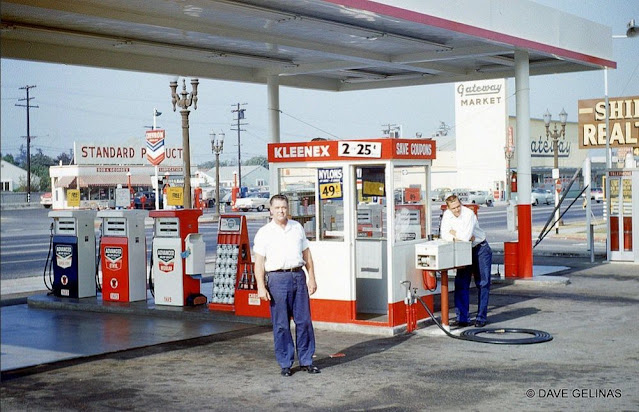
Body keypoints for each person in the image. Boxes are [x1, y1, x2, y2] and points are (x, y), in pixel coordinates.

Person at [254, 194, 320, 377]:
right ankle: (285, 363)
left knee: (304, 321)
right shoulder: (264, 233)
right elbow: (258, 263)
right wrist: (261, 286)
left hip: (298, 276)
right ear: (271, 210)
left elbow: (307, 256)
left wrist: (311, 277)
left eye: (283, 207)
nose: (281, 211)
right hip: (277, 280)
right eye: (277, 208)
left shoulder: (297, 228)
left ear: (287, 208)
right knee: (281, 324)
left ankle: (307, 360)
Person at [440, 194, 493, 328]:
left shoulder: (469, 214)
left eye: (458, 206)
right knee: (461, 283)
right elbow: (444, 235)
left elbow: (465, 236)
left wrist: (454, 233)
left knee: (483, 283)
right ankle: (462, 318)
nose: (457, 210)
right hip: (464, 249)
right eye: (454, 208)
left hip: (479, 248)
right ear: (448, 208)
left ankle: (481, 317)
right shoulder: (447, 215)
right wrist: (460, 236)